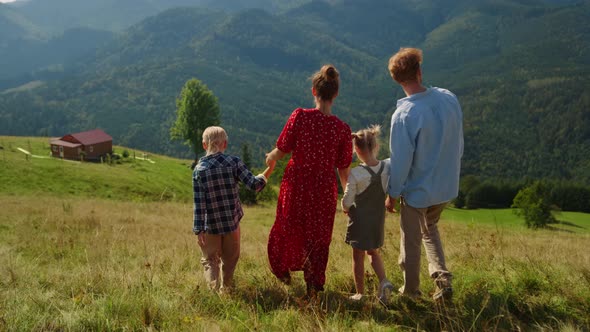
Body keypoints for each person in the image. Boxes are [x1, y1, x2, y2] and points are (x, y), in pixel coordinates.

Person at [265, 65, 352, 297]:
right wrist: (349, 198)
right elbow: (344, 170)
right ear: (335, 94)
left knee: (287, 226)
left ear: (314, 91)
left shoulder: (300, 116)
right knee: (319, 237)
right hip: (324, 188)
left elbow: (282, 148)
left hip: (296, 184)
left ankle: (282, 270)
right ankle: (313, 286)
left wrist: (270, 159)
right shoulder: (342, 129)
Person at [384, 48, 463, 301]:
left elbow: (400, 161)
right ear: (419, 72)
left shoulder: (404, 115)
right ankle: (442, 280)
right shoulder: (449, 98)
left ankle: (410, 292)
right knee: (429, 229)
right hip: (447, 185)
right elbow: (457, 139)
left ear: (396, 79)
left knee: (411, 240)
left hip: (419, 189)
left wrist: (393, 193)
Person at [193, 126, 275, 292]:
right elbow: (254, 184)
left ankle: (213, 293)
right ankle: (227, 290)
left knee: (210, 261)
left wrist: (198, 229)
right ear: (225, 144)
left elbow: (199, 203)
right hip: (231, 223)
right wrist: (270, 169)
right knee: (230, 260)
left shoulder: (199, 171)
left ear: (204, 145)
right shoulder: (234, 163)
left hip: (210, 226)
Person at [341, 125, 394, 302]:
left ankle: (360, 293)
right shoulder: (386, 167)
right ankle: (384, 281)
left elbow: (347, 200)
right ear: (375, 146)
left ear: (356, 150)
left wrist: (345, 208)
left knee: (358, 256)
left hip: (359, 222)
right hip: (377, 220)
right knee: (373, 252)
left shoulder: (356, 173)